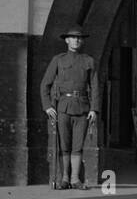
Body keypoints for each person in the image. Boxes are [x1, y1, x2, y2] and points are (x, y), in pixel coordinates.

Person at [40, 25, 100, 190]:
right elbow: (45, 84)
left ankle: (75, 180)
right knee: (64, 145)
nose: (76, 40)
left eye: (79, 38)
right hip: (63, 108)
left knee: (78, 146)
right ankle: (64, 179)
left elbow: (94, 86)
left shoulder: (88, 61)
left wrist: (94, 109)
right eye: (73, 38)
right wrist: (47, 107)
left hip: (82, 109)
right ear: (67, 40)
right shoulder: (58, 60)